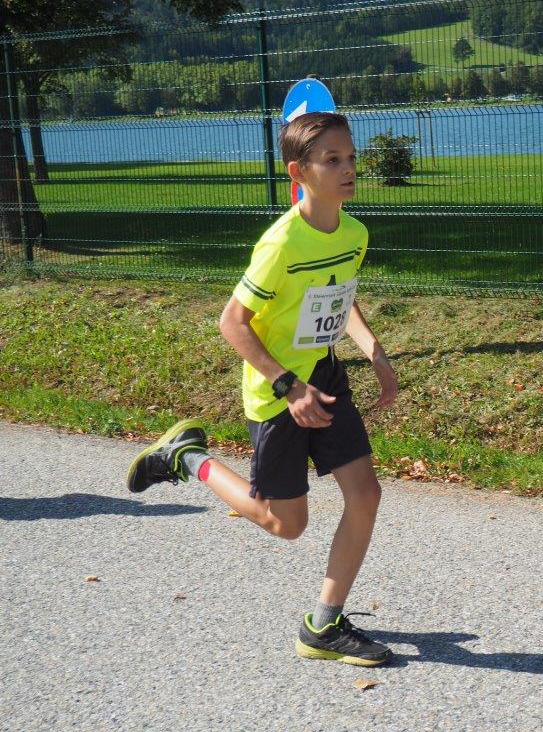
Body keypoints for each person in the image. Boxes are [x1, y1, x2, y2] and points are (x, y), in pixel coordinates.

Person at [126, 112, 398, 666]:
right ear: (299, 172)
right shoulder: (280, 244)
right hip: (278, 392)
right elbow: (232, 323)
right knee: (285, 523)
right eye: (332, 160)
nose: (348, 169)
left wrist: (374, 350)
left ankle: (324, 625)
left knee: (365, 493)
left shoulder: (354, 233)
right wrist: (287, 385)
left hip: (323, 376)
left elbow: (339, 296)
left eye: (350, 157)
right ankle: (188, 458)